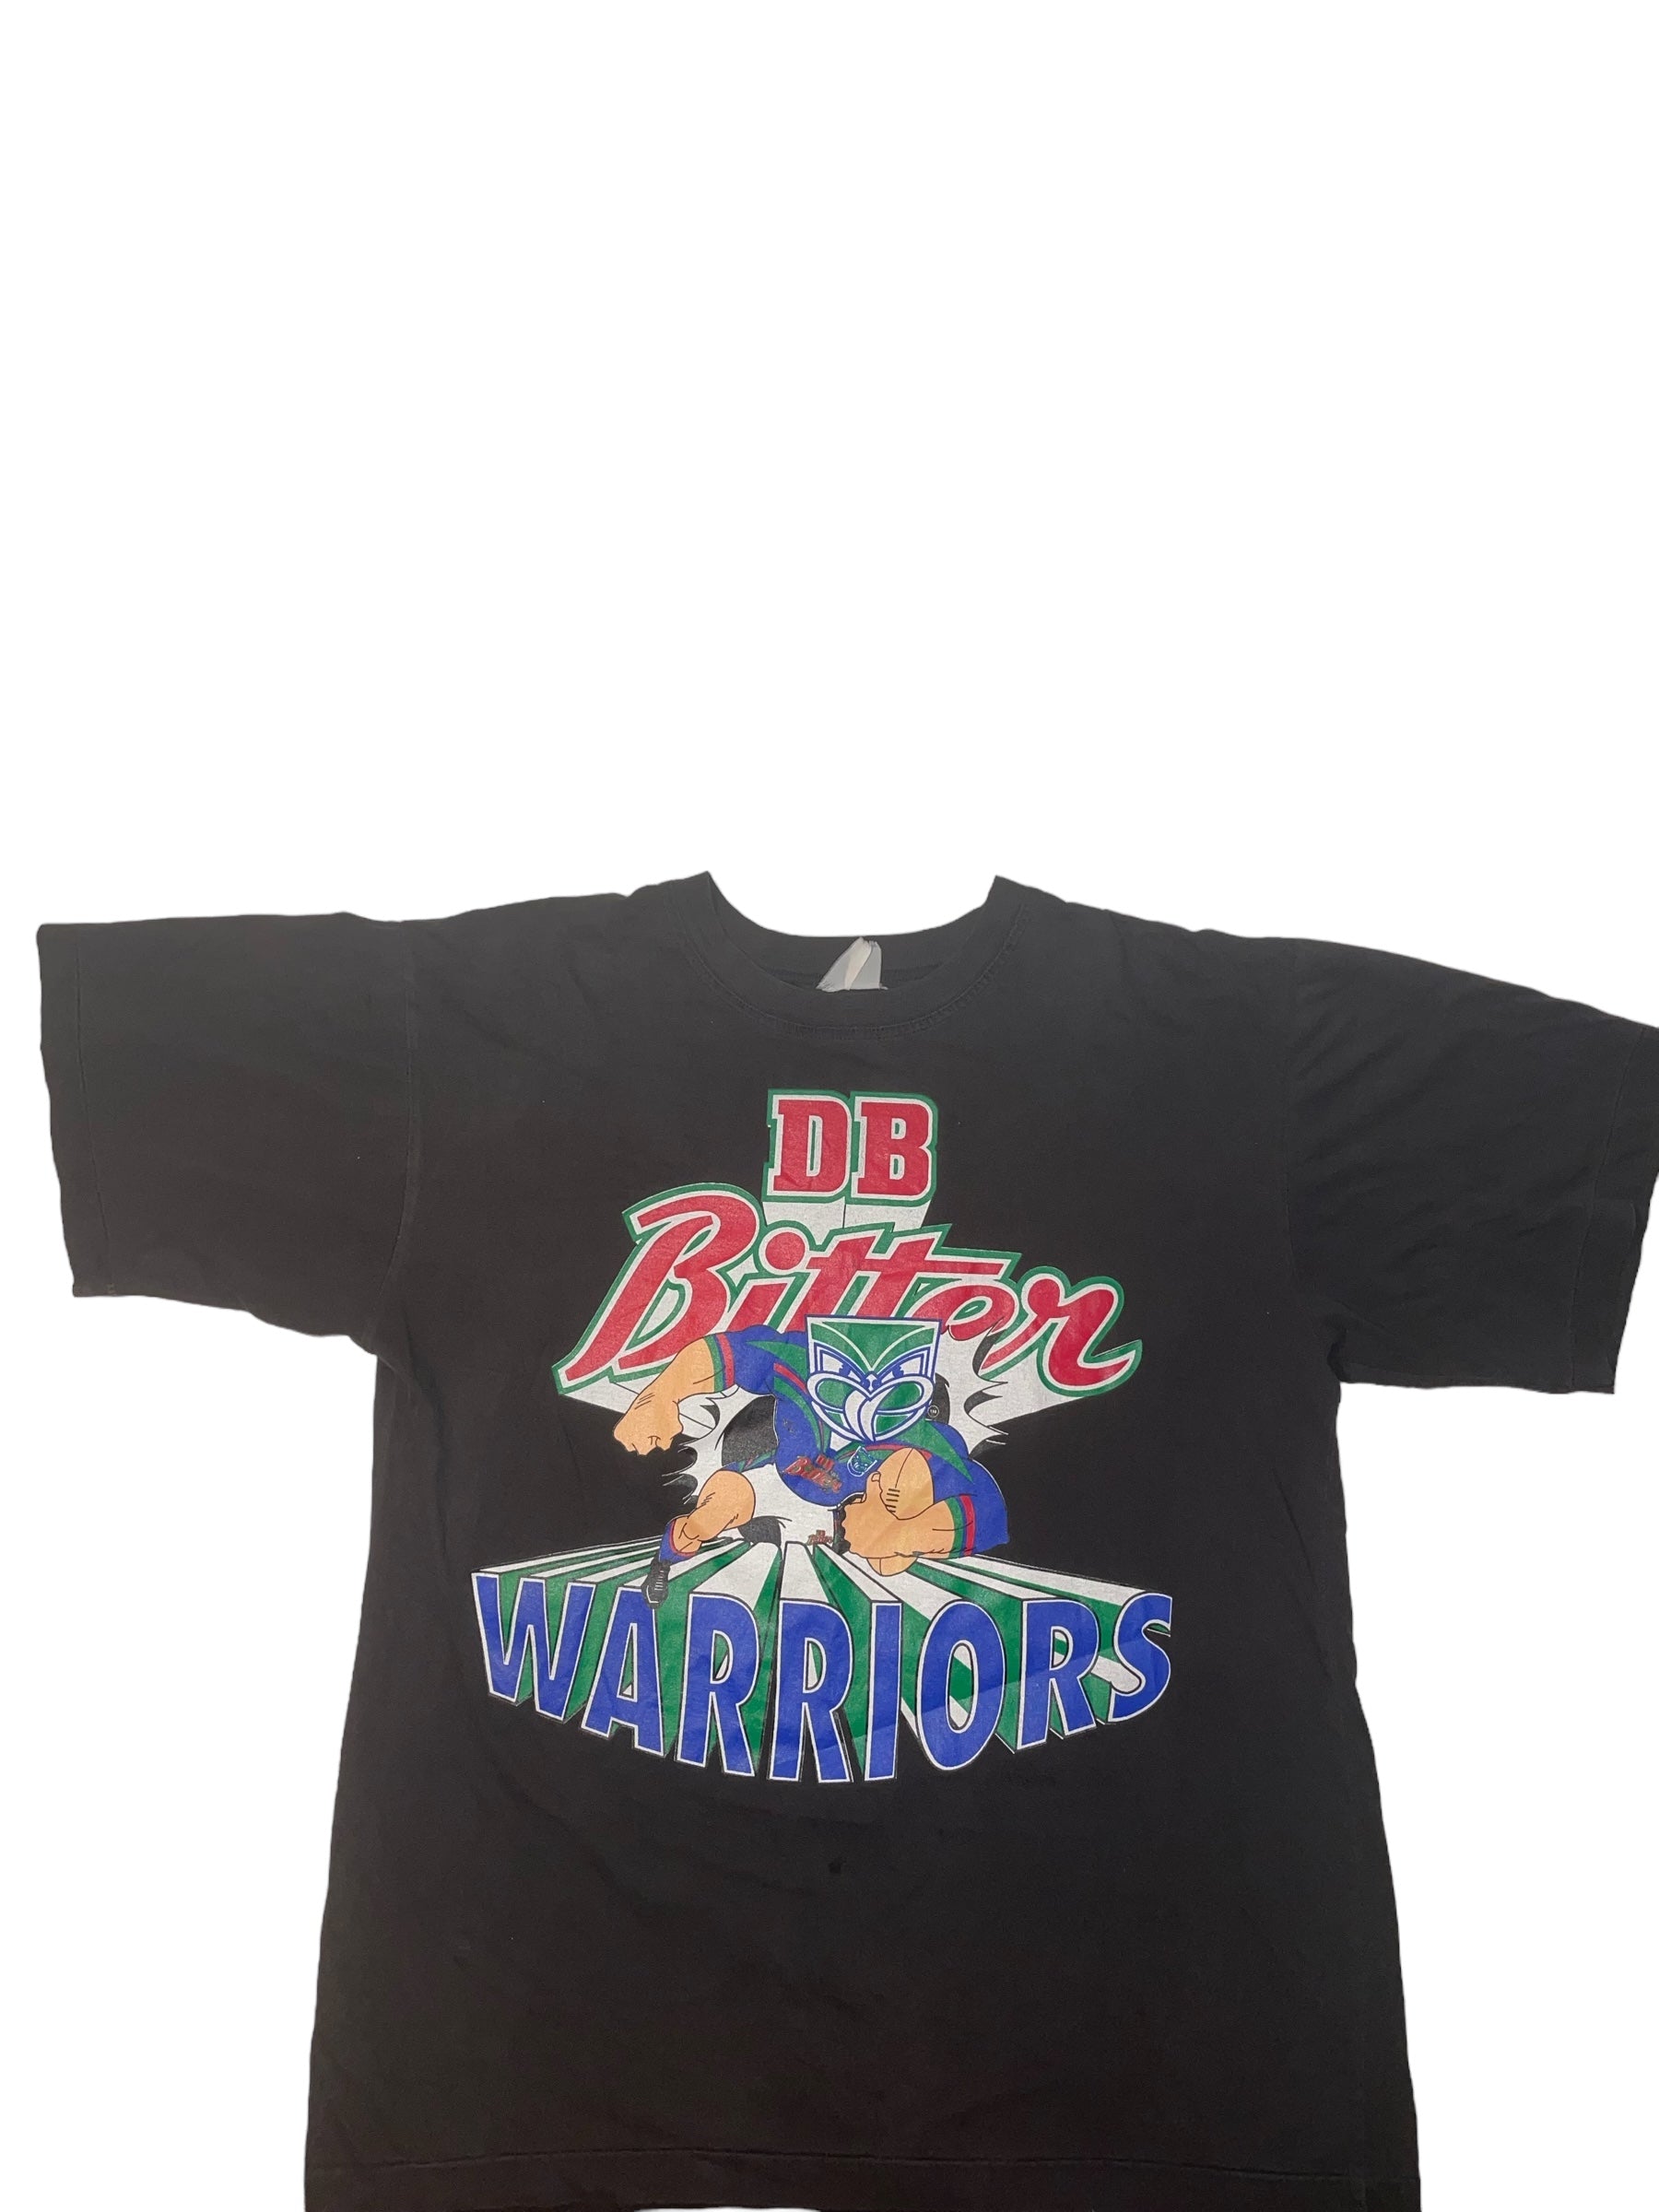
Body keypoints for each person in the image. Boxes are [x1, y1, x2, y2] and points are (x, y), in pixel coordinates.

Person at [614, 1315, 1009, 1605]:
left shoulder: (924, 1440)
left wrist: (906, 1534)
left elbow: (989, 1507)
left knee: (892, 1554)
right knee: (705, 1519)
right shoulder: (797, 1363)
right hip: (776, 1481)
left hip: (846, 1515)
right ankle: (663, 1563)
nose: (868, 1393)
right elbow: (730, 1351)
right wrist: (662, 1394)